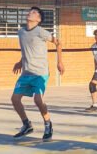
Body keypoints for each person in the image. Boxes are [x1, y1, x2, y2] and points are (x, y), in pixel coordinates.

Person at [11, 7, 64, 141]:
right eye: (30, 11)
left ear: (38, 19)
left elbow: (58, 43)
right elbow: (26, 51)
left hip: (40, 72)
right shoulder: (21, 32)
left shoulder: (40, 31)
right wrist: (19, 62)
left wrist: (60, 62)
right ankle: (27, 125)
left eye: (34, 12)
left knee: (38, 100)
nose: (30, 12)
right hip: (26, 72)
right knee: (15, 99)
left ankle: (48, 124)